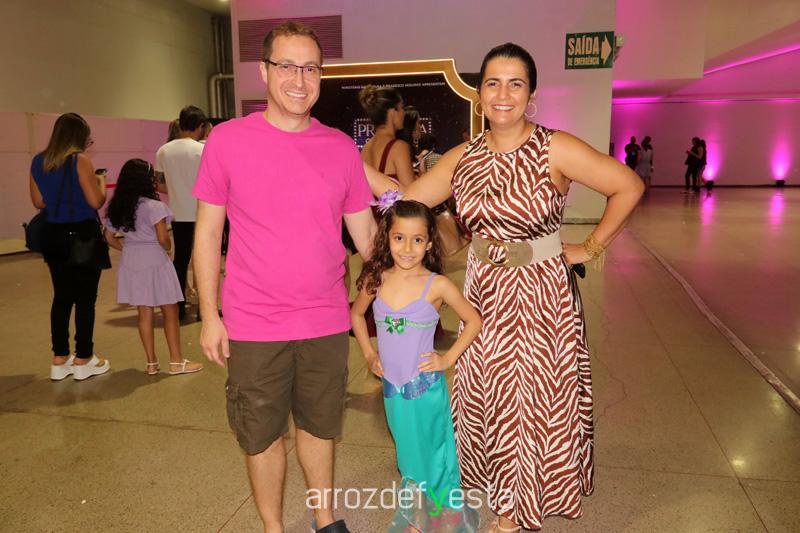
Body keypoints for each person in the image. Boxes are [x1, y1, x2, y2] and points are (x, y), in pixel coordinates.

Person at [365, 42, 644, 531]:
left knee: (528, 399)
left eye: (516, 84)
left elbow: (628, 186)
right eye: (493, 83)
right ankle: (500, 482)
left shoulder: (555, 147)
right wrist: (348, 165)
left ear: (531, 94)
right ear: (479, 93)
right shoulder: (464, 157)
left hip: (540, 294)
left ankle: (515, 510)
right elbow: (406, 199)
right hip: (483, 290)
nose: (503, 94)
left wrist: (590, 247)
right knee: (490, 392)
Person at [192, 21, 376, 533]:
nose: (300, 79)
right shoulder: (228, 140)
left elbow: (367, 237)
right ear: (264, 70)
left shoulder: (340, 147)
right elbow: (207, 234)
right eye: (288, 66)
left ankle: (325, 518)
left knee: (320, 427)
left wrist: (414, 284)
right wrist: (210, 316)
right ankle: (273, 527)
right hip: (254, 323)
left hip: (325, 319)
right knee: (261, 435)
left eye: (311, 68)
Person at [351, 199, 481, 533]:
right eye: (399, 238)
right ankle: (419, 514)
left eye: (417, 240)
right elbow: (356, 314)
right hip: (392, 391)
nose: (408, 249)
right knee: (408, 454)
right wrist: (369, 354)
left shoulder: (437, 285)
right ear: (387, 238)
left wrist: (448, 358)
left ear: (429, 243)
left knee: (433, 453)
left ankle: (431, 519)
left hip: (425, 389)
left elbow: (474, 320)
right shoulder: (376, 278)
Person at [29, 112, 111, 381]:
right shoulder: (80, 161)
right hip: (82, 235)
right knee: (85, 298)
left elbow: (38, 202)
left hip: (53, 235)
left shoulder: (39, 161)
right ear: (79, 137)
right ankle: (84, 358)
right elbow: (96, 201)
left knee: (62, 297)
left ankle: (59, 358)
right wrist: (101, 183)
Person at [104, 159, 203, 376]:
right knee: (170, 310)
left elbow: (108, 237)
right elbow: (163, 239)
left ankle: (151, 363)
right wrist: (168, 248)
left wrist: (126, 248)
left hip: (132, 261)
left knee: (144, 312)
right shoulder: (155, 206)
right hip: (155, 260)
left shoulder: (118, 207)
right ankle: (176, 361)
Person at [155, 105, 207, 321]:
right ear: (200, 126)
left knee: (181, 260)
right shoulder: (203, 150)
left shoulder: (164, 151)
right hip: (204, 213)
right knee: (204, 261)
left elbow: (160, 184)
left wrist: (178, 189)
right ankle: (204, 309)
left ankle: (179, 307)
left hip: (178, 213)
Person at [359, 85, 415, 187]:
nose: (404, 113)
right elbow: (411, 193)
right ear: (392, 112)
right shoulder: (399, 147)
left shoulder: (365, 149)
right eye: (402, 107)